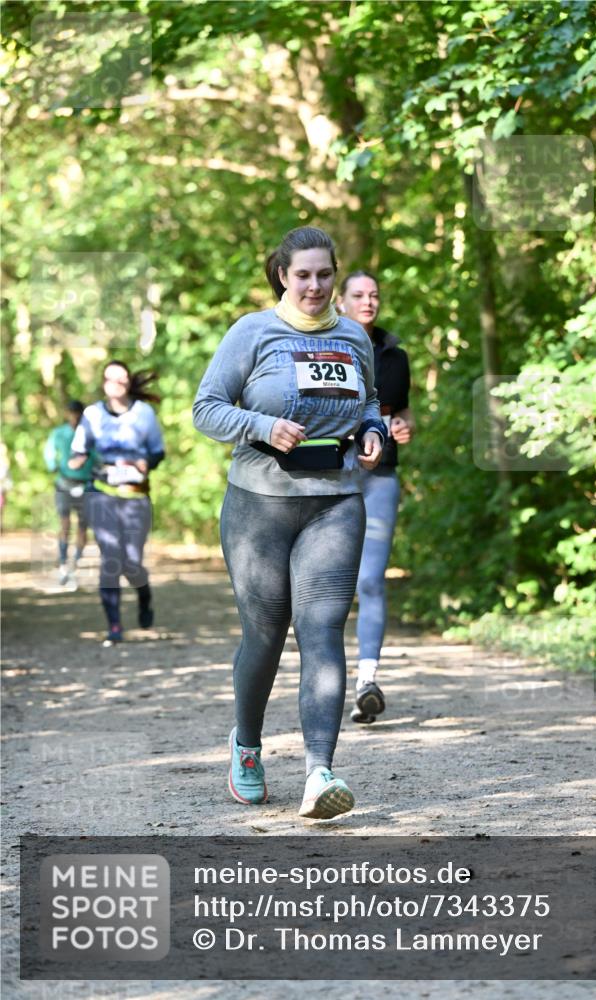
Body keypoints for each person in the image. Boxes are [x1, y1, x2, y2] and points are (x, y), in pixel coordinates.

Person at [193, 226, 386, 820]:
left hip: (335, 500)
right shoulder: (252, 332)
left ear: (336, 275)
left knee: (323, 629)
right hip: (259, 504)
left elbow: (371, 401)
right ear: (283, 274)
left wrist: (373, 431)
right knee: (266, 633)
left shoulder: (355, 336)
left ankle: (318, 771)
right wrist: (261, 426)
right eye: (302, 274)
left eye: (325, 274)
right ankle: (246, 746)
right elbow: (207, 408)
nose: (315, 285)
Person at [337, 271, 414, 724]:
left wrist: (405, 428)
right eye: (359, 295)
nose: (369, 302)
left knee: (370, 580)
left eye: (375, 296)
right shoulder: (327, 348)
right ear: (341, 301)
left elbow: (401, 413)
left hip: (381, 475)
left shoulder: (395, 356)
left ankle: (367, 679)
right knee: (332, 584)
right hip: (333, 476)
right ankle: (324, 681)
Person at [68, 360, 165, 645]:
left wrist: (143, 463)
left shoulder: (144, 414)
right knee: (110, 558)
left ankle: (143, 594)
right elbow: (78, 450)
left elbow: (158, 453)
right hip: (101, 493)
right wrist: (78, 461)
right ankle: (114, 626)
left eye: (121, 379)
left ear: (128, 383)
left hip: (135, 495)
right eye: (110, 380)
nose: (116, 385)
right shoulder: (93, 414)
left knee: (132, 563)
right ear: (104, 384)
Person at [43, 400, 95, 586]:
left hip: (86, 484)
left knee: (82, 526)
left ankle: (76, 562)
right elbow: (49, 451)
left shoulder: (90, 435)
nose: (74, 417)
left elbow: (98, 456)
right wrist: (52, 465)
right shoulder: (59, 433)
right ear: (67, 414)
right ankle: (64, 561)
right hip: (64, 483)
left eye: (77, 413)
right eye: (71, 413)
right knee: (64, 523)